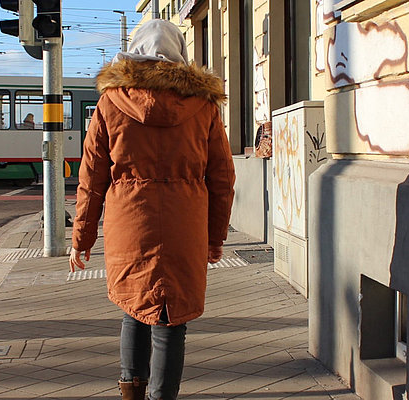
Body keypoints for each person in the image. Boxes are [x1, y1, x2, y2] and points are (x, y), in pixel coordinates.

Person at [69, 19, 235, 400]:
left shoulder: (111, 101)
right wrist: (215, 238)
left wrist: (82, 236)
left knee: (133, 306)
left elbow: (92, 176)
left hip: (131, 221)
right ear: (179, 52)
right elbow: (223, 177)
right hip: (185, 224)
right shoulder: (205, 106)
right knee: (172, 319)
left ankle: (131, 392)